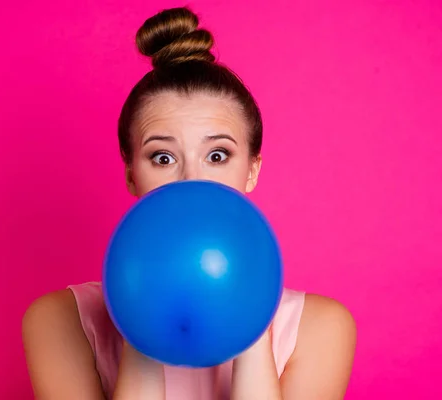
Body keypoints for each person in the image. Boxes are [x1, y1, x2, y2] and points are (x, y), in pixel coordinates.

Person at [22, 6, 356, 400]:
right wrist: (140, 315)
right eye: (163, 158)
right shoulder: (60, 321)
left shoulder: (321, 328)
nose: (191, 182)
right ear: (132, 174)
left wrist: (249, 317)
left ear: (252, 170)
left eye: (217, 156)